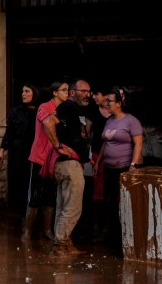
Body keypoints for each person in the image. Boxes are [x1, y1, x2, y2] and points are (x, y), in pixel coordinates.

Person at [44, 79, 92, 256]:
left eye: (89, 91)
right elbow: (48, 122)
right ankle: (60, 245)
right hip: (68, 164)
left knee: (64, 206)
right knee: (73, 208)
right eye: (84, 91)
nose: (88, 94)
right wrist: (57, 146)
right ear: (72, 92)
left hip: (69, 165)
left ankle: (65, 244)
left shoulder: (76, 110)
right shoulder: (68, 107)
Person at [95, 87, 143, 254]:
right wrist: (98, 162)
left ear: (119, 103)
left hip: (124, 168)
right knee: (109, 201)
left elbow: (138, 143)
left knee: (122, 202)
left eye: (110, 101)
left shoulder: (131, 121)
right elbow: (105, 143)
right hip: (109, 167)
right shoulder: (110, 121)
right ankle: (111, 235)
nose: (107, 104)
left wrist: (133, 165)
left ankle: (122, 238)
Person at [26, 81, 67, 241]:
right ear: (55, 93)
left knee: (50, 196)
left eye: (68, 90)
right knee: (34, 197)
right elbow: (47, 123)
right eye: (64, 90)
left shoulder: (65, 109)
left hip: (54, 160)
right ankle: (27, 232)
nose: (67, 93)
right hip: (39, 158)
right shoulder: (45, 107)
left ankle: (47, 230)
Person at [0, 83, 40, 215]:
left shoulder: (40, 111)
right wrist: (2, 150)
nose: (23, 94)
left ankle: (35, 215)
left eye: (27, 91)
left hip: (37, 154)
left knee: (36, 185)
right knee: (21, 184)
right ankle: (23, 215)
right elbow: (9, 132)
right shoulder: (16, 111)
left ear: (34, 93)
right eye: (22, 91)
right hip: (20, 154)